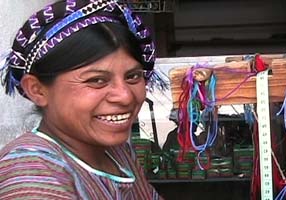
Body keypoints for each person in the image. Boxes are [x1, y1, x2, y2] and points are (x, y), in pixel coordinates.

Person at [0, 0, 164, 199]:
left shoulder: (116, 153)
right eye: (96, 80)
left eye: (132, 76)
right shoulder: (31, 174)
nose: (125, 96)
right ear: (37, 90)